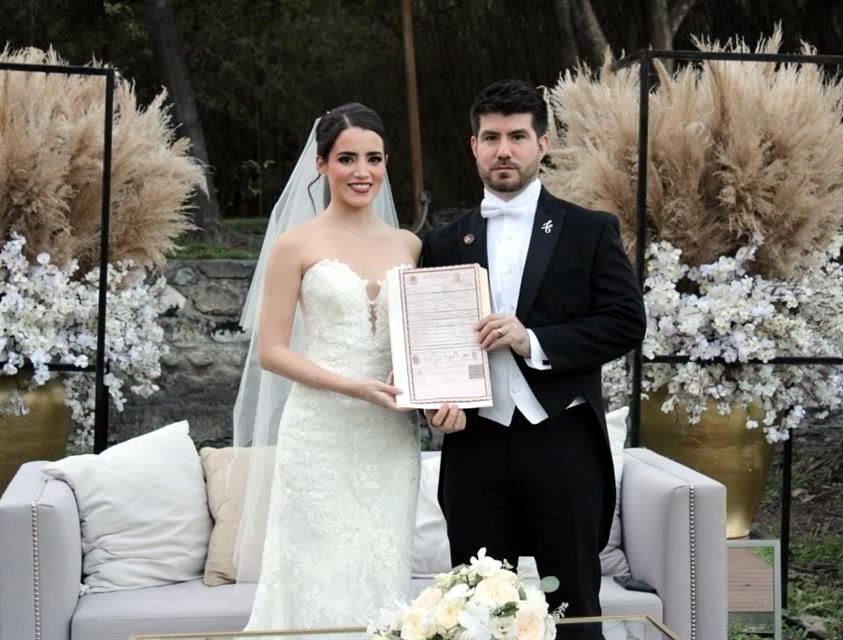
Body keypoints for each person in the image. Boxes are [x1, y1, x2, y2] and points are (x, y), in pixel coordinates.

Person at [421, 79, 646, 633]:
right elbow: (426, 345)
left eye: (518, 136)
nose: (504, 149)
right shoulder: (444, 242)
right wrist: (433, 405)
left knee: (573, 605)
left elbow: (626, 322)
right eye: (491, 137)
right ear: (473, 146)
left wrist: (533, 341)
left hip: (562, 441)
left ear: (542, 145)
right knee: (473, 609)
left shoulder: (588, 230)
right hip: (474, 445)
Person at [235, 103, 421, 633]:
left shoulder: (410, 246)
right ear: (321, 164)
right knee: (313, 570)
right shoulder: (296, 244)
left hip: (389, 436)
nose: (362, 171)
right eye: (347, 158)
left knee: (380, 568)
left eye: (374, 158)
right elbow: (272, 350)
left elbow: (424, 341)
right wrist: (353, 387)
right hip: (319, 433)